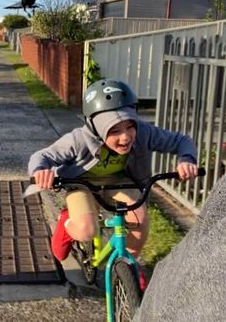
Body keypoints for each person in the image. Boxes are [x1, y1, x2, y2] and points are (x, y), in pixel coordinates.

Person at [28, 79, 198, 274]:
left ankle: (129, 265)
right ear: (96, 129)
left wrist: (186, 159)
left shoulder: (144, 133)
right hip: (81, 183)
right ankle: (67, 225)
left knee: (139, 219)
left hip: (119, 182)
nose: (125, 137)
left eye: (129, 126)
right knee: (86, 230)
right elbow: (42, 156)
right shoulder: (78, 140)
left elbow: (181, 141)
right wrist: (40, 171)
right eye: (114, 130)